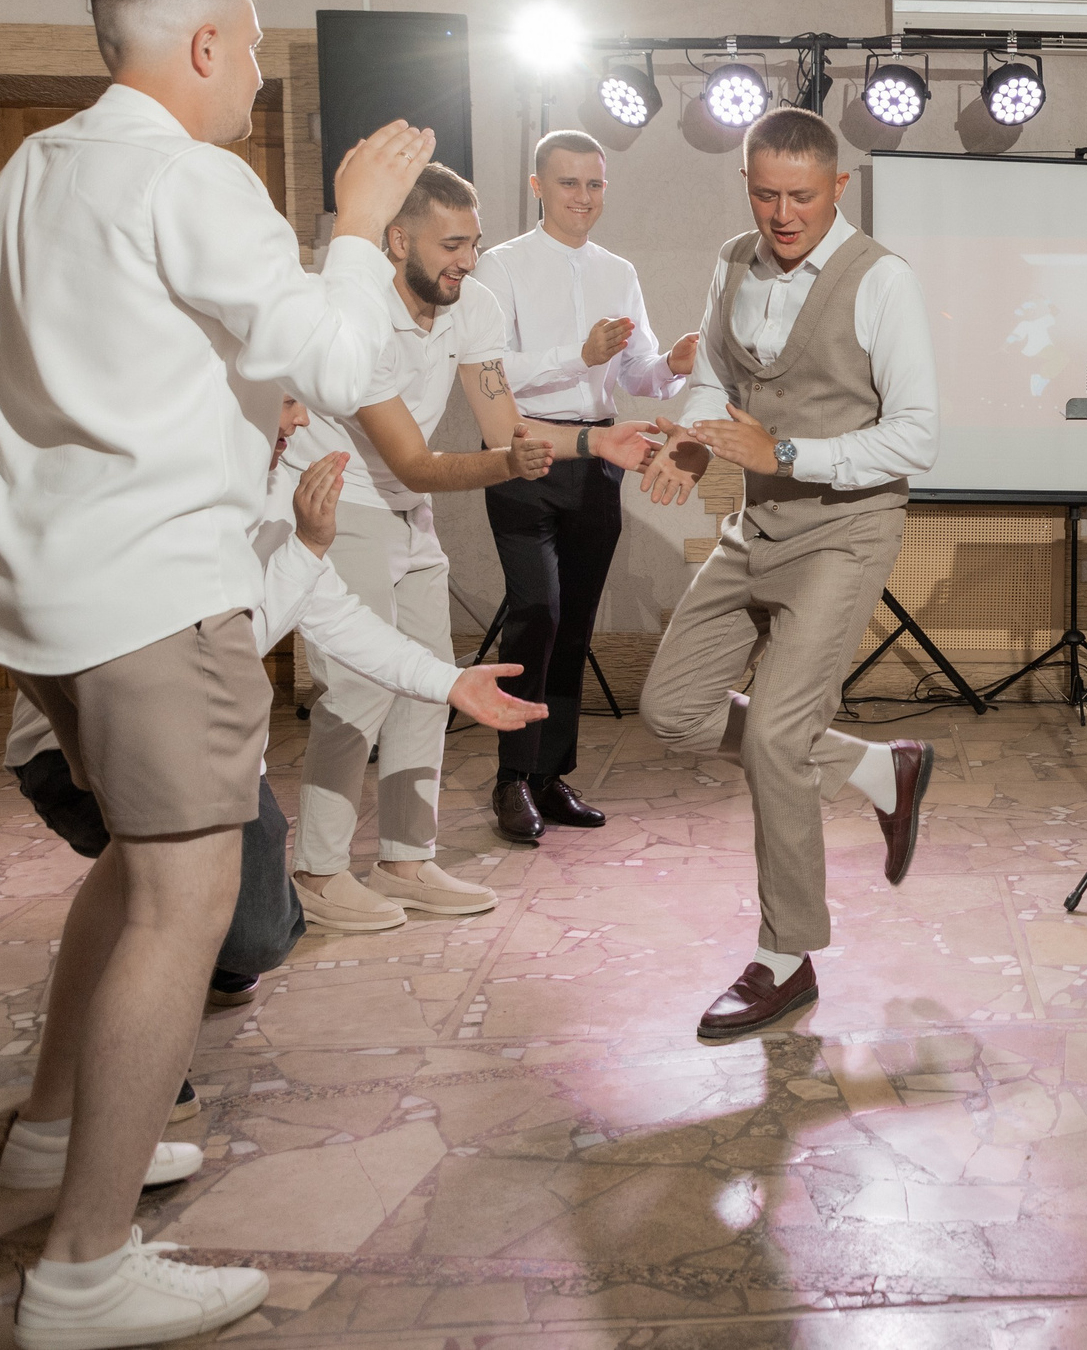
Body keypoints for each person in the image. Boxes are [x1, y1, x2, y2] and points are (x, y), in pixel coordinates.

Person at [0, 0, 413, 1349]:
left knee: (131, 874)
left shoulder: (18, 180)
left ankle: (49, 1137)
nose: (254, 75)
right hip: (156, 593)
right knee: (186, 899)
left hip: (43, 592)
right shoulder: (191, 174)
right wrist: (354, 226)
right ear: (207, 44)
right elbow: (340, 364)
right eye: (253, 38)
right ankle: (88, 1266)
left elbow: (121, 367)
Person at [0, 399, 544, 1194]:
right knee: (162, 900)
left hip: (212, 760)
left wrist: (448, 678)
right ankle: (118, 1092)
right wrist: (309, 550)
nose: (294, 412)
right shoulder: (171, 491)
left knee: (258, 933)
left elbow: (333, 617)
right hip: (95, 743)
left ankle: (163, 996)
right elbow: (185, 657)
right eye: (274, 394)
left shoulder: (269, 491)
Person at [280, 163, 654, 934]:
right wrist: (515, 461)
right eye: (451, 244)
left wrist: (594, 439)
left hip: (406, 506)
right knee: (358, 691)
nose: (467, 260)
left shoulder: (472, 304)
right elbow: (424, 458)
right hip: (338, 495)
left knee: (434, 681)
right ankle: (318, 871)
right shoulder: (356, 312)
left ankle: (405, 858)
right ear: (396, 240)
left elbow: (501, 426)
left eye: (474, 243)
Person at [637, 106, 941, 1040]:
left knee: (774, 735)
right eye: (764, 193)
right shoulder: (733, 260)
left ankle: (786, 956)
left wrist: (791, 451)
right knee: (673, 707)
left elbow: (919, 437)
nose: (781, 213)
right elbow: (711, 378)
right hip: (754, 519)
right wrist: (693, 438)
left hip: (845, 529)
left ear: (837, 187)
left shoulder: (881, 280)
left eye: (801, 195)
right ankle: (880, 768)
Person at [472, 130, 696, 843]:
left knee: (574, 623)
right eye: (569, 183)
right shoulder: (498, 265)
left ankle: (549, 774)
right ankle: (510, 778)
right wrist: (578, 353)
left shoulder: (617, 269)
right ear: (538, 187)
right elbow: (492, 369)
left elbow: (633, 375)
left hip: (600, 456)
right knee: (534, 610)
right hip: (523, 447)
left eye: (595, 184)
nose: (583, 197)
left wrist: (673, 365)